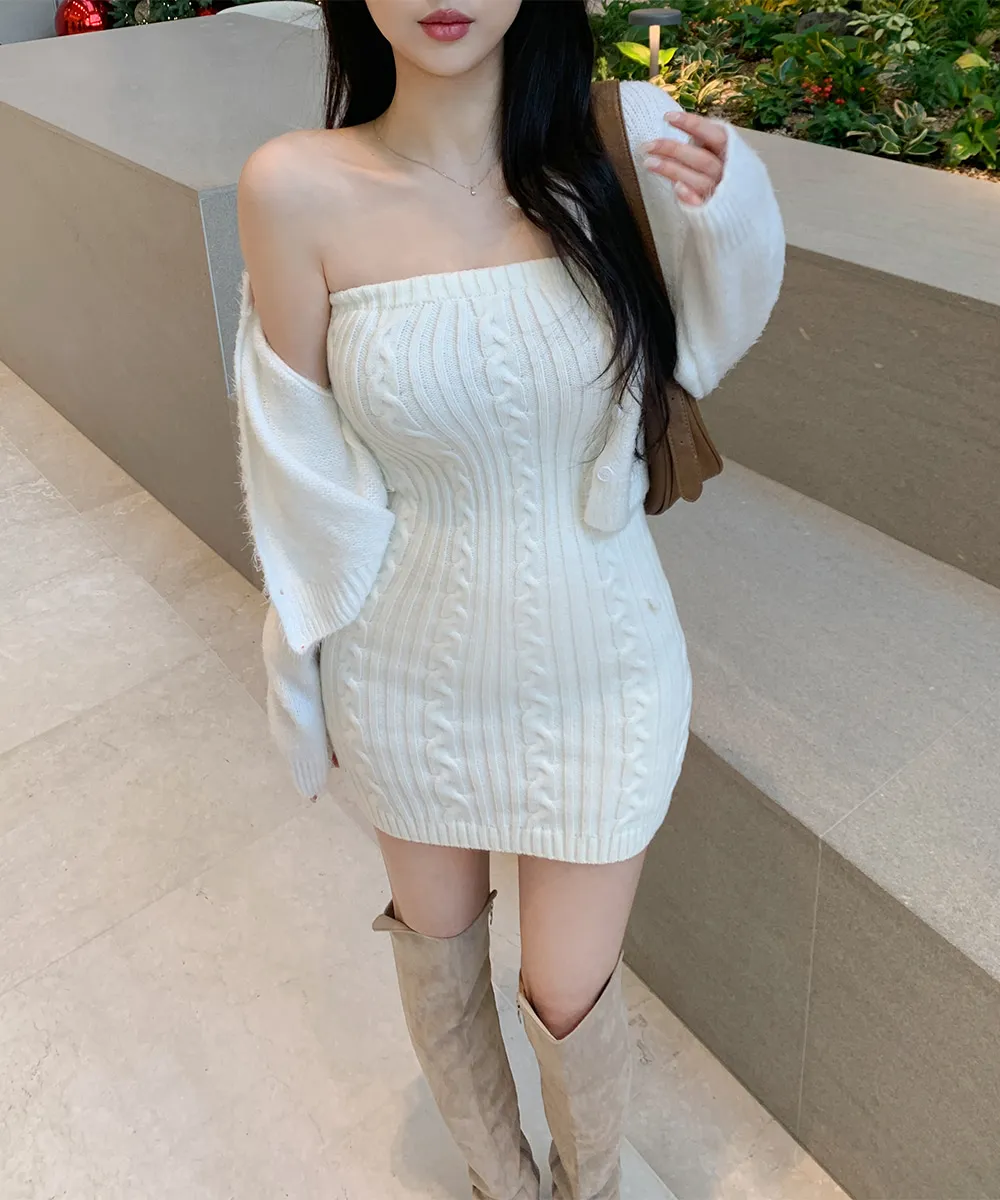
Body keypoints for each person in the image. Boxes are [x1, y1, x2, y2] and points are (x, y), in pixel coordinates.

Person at [233, 2, 784, 1196]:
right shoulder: (293, 189)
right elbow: (302, 470)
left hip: (606, 662)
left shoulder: (610, 154)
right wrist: (305, 661)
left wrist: (730, 211)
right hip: (405, 667)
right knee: (438, 957)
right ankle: (500, 1181)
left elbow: (700, 345)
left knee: (567, 990)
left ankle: (591, 1187)